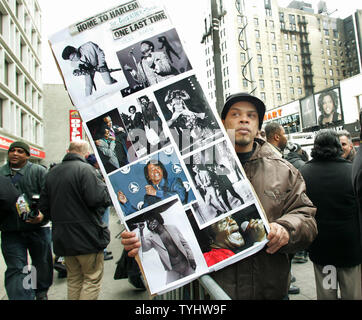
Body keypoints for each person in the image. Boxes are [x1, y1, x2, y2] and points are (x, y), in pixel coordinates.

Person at [121, 92, 317, 299]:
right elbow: (179, 223)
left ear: (258, 125)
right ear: (222, 123)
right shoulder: (197, 163)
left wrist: (287, 228)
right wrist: (141, 241)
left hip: (269, 290)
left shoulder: (285, 170)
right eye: (236, 114)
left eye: (251, 116)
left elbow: (306, 217)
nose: (244, 119)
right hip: (215, 292)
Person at [39, 141, 111, 300]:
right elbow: (97, 199)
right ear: (86, 154)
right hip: (88, 237)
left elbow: (43, 207)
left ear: (68, 151)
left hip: (63, 240)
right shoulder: (86, 170)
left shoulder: (52, 172)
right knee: (92, 279)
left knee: (74, 280)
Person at [300, 130, 362, 300]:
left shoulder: (305, 172)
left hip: (321, 246)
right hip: (350, 247)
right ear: (337, 147)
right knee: (352, 293)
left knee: (327, 292)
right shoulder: (351, 171)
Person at [0, 141, 53, 300]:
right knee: (16, 268)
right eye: (12, 151)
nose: (15, 154)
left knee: (41, 263)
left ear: (28, 156)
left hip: (38, 229)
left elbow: (49, 198)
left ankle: (40, 292)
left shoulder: (38, 171)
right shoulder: (1, 173)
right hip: (10, 231)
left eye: (20, 151)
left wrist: (43, 215)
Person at [139, 211, 196, 284]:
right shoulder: (150, 237)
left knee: (195, 284)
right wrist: (141, 232)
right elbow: (144, 248)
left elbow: (185, 244)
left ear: (158, 218)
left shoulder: (172, 228)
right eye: (148, 222)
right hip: (173, 270)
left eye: (151, 220)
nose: (150, 224)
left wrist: (191, 258)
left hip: (186, 265)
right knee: (170, 289)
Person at [118, 160, 187, 216]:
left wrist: (156, 193)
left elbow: (181, 197)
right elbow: (142, 216)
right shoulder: (148, 197)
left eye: (157, 168)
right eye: (152, 170)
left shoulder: (174, 181)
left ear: (162, 170)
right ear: (148, 177)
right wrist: (126, 203)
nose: (155, 171)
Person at [86, 154, 113, 261]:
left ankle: (103, 250)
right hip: (101, 205)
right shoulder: (92, 172)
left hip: (101, 205)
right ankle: (102, 251)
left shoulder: (92, 172)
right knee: (102, 227)